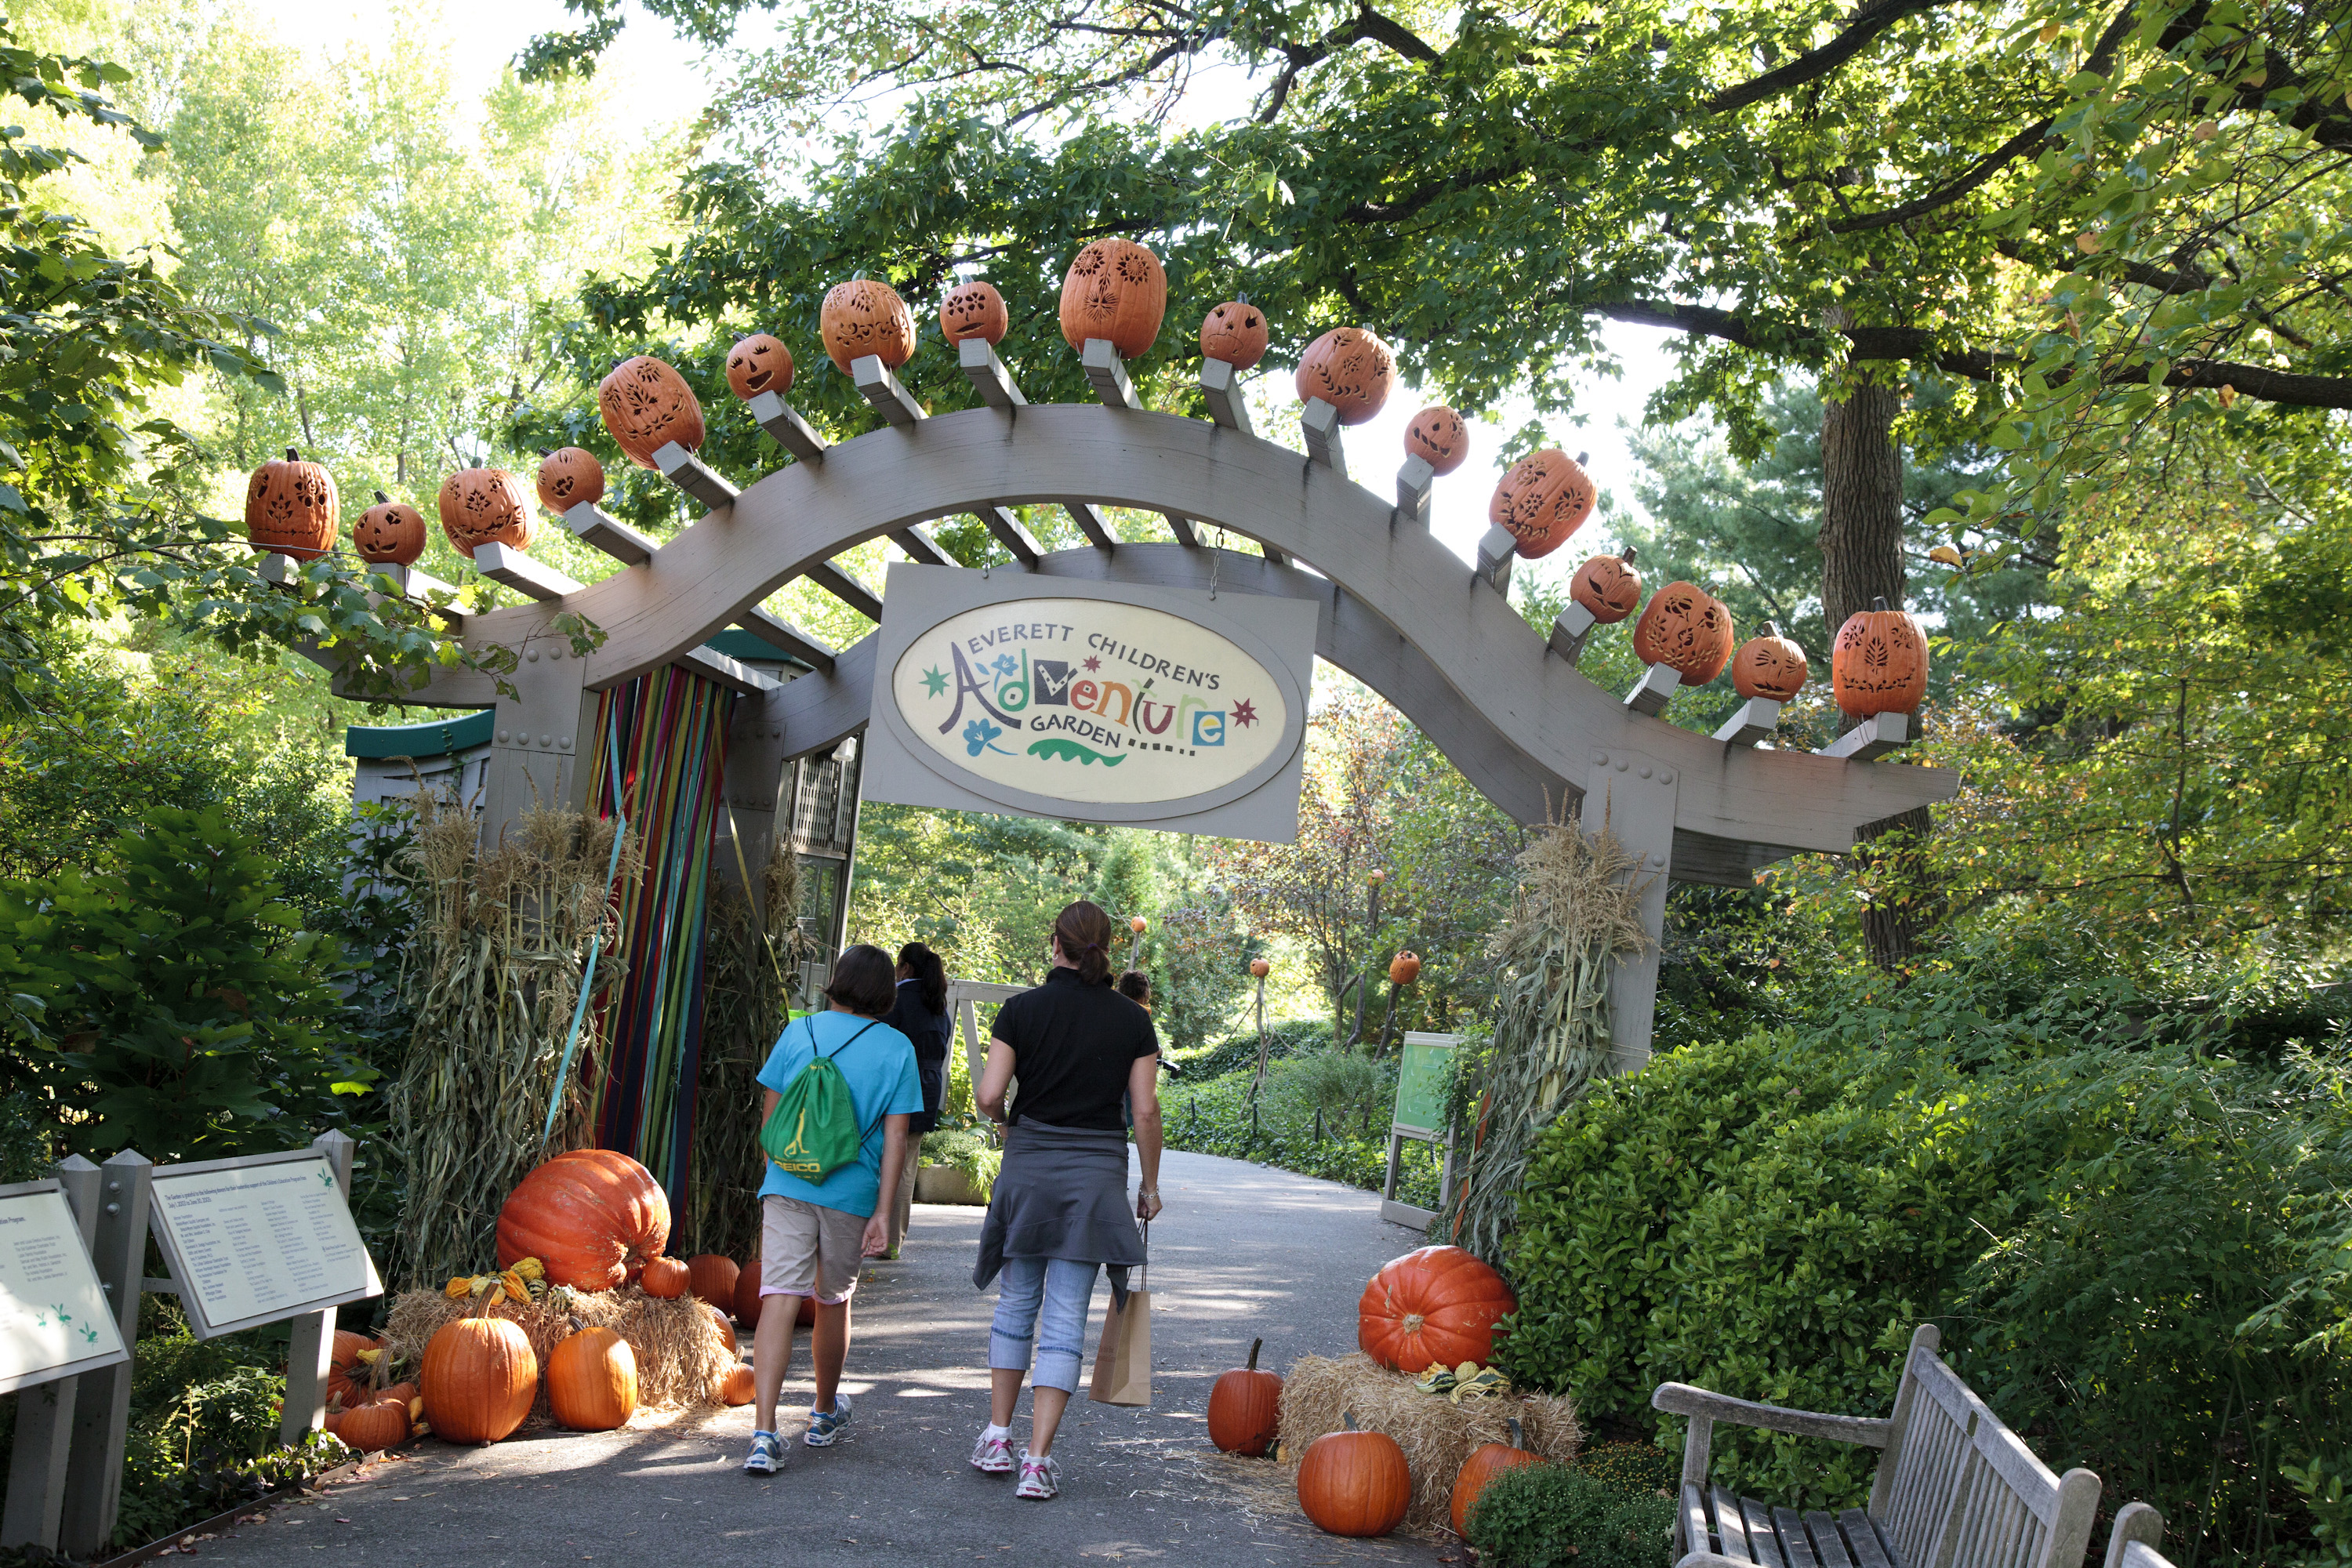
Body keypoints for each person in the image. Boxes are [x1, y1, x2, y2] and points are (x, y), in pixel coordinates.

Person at [970, 900, 1163, 1501]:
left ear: (1054, 943)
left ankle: (997, 1438)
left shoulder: (1021, 1010)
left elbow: (989, 1093)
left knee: (1016, 1303)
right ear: (1106, 949)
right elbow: (1146, 1110)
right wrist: (1150, 1187)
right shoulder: (1133, 1020)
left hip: (1029, 1168)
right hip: (1095, 1177)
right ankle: (1036, 1461)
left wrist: (1005, 1122)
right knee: (1064, 1319)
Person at [742, 944, 922, 1476]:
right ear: (885, 991)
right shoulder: (897, 1048)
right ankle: (823, 1413)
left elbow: (770, 1122)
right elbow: (896, 1139)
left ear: (837, 981)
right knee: (832, 1300)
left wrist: (785, 1170)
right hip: (851, 1192)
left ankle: (764, 1434)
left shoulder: (800, 1032)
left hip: (788, 1184)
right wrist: (883, 1212)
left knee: (777, 1298)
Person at [881, 941, 951, 1258]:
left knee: (878, 1158)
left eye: (897, 965)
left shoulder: (894, 1000)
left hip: (897, 1085)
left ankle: (871, 1236)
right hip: (929, 1087)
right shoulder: (938, 1004)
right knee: (907, 1163)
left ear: (905, 967)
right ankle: (893, 1241)